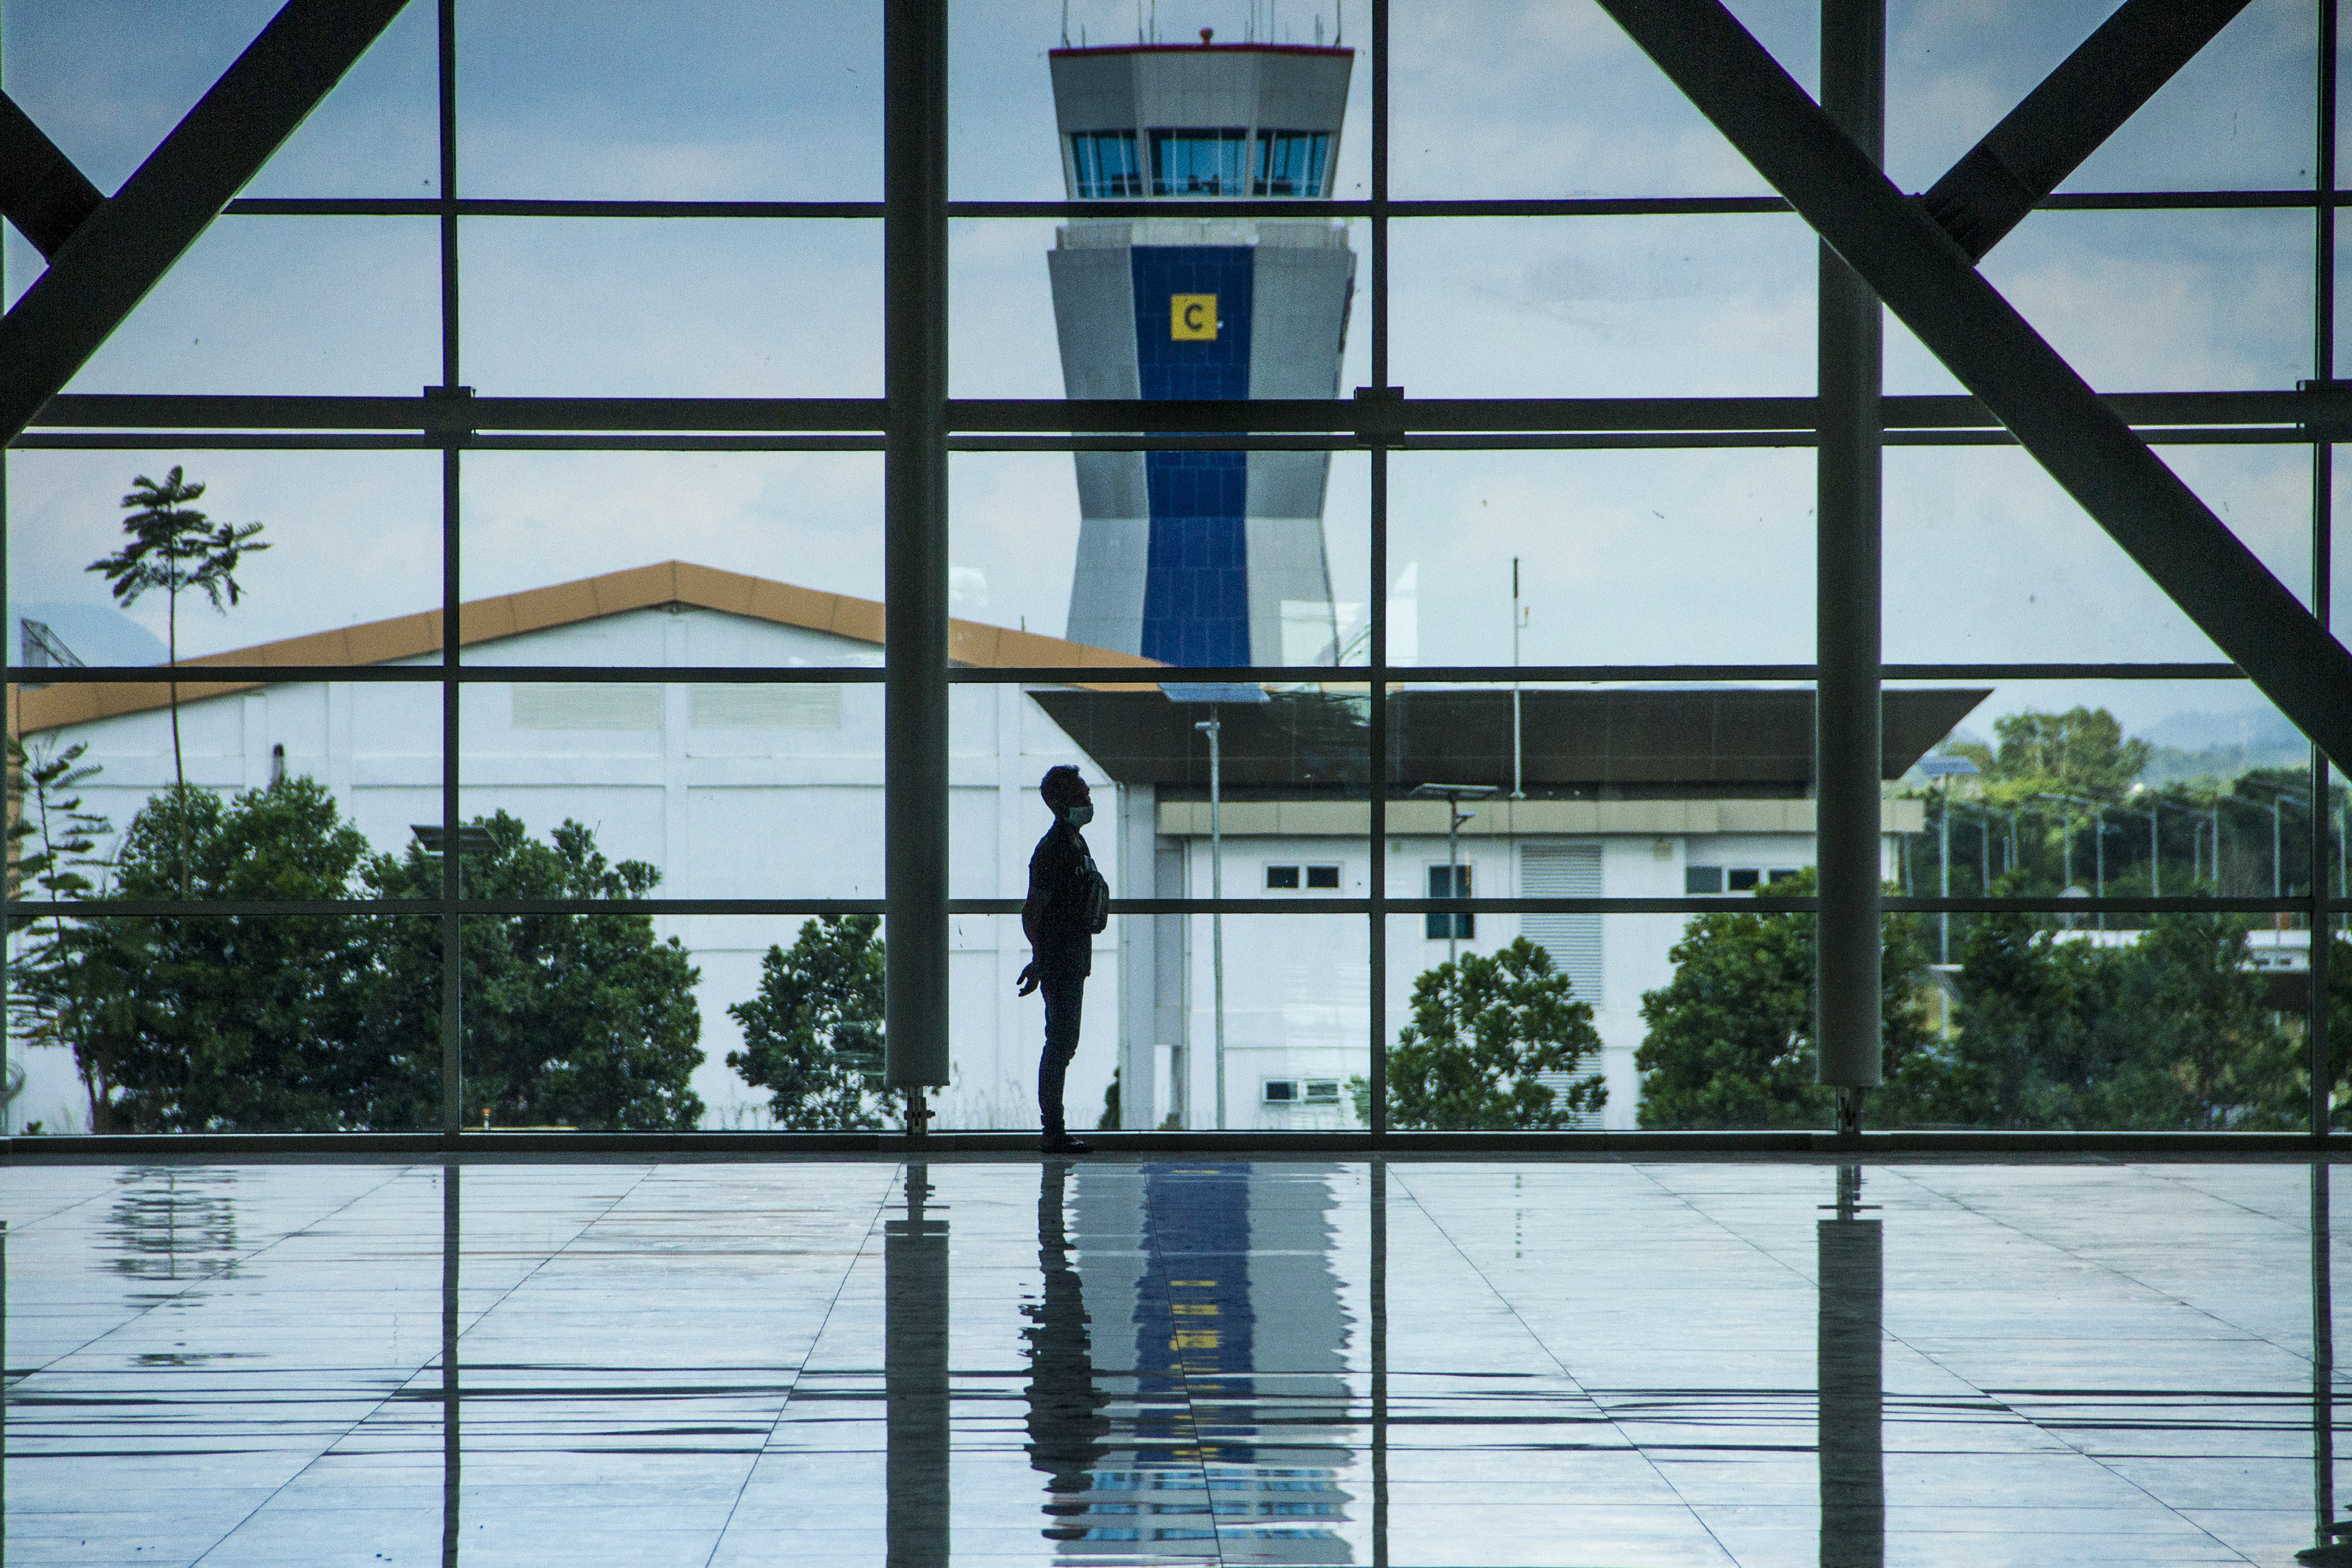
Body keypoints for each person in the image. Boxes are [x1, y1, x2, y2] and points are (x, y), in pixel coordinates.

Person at [1020, 765, 1109, 1154]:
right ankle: (1052, 1131)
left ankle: (1053, 1129)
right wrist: (1041, 959)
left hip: (1071, 957)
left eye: (1086, 792)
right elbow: (1033, 911)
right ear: (1058, 803)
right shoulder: (1054, 848)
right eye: (1079, 794)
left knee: (1063, 1042)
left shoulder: (1076, 842)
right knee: (1059, 1044)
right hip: (1061, 960)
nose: (1087, 798)